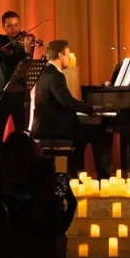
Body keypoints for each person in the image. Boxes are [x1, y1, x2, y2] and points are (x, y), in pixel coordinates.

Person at [30, 40, 95, 175]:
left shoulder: (43, 71)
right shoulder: (55, 75)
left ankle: (69, 174)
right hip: (51, 127)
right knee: (86, 135)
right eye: (68, 54)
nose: (69, 58)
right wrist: (90, 109)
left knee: (80, 131)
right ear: (60, 56)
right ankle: (73, 175)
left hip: (42, 125)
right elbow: (66, 101)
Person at [0, 10, 35, 144]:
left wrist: (27, 50)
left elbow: (27, 62)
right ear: (3, 26)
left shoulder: (25, 40)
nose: (14, 29)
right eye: (9, 26)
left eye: (16, 25)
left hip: (19, 93)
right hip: (1, 92)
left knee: (21, 132)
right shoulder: (0, 40)